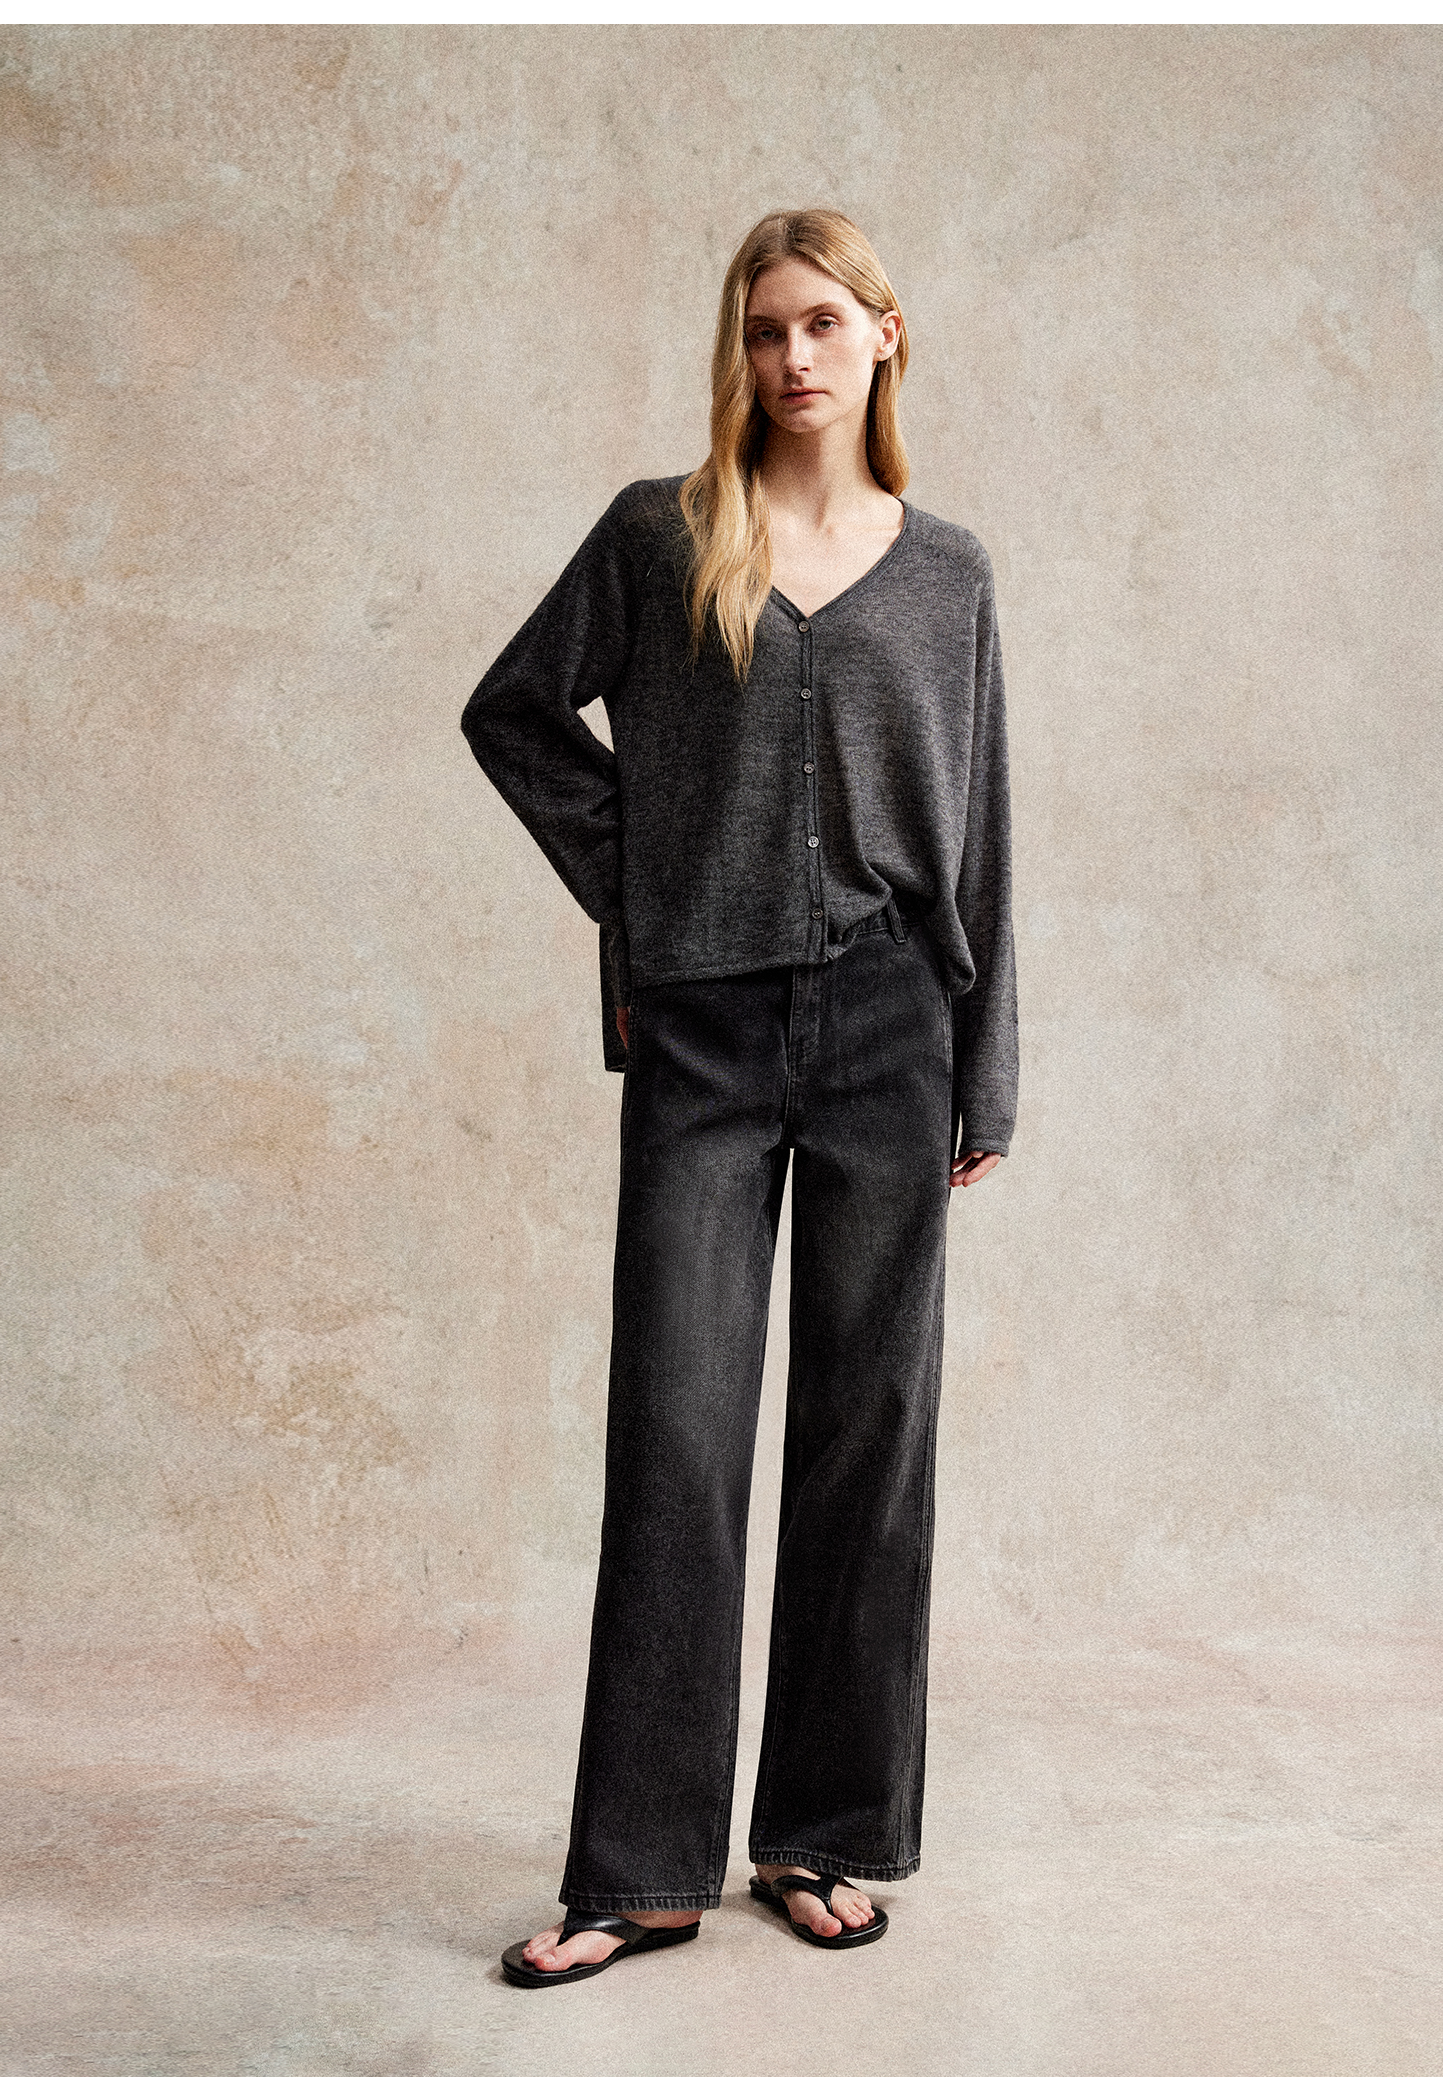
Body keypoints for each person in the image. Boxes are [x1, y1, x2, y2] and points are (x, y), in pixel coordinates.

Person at [460, 207, 1017, 1988]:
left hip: (893, 1028)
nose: (792, 357)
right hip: (703, 1031)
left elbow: (981, 840)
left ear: (884, 336)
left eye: (823, 324)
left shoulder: (949, 577)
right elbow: (514, 713)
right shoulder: (663, 534)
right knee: (681, 1430)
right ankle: (638, 1866)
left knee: (870, 1432)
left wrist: (988, 1059)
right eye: (766, 328)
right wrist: (647, 889)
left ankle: (825, 1832)